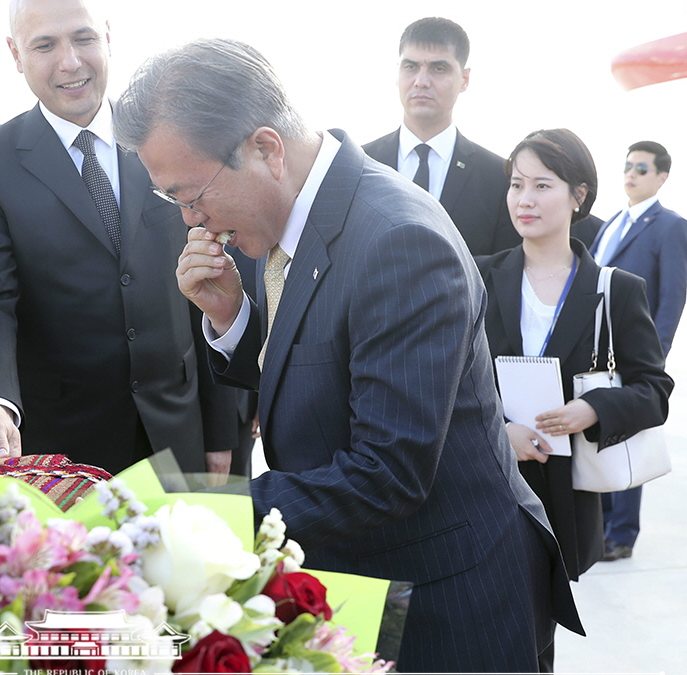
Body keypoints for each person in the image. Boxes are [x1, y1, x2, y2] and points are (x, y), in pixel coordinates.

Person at [116, 38, 583, 672]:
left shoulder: (399, 242)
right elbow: (318, 368)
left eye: (190, 195)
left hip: (444, 596)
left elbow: (387, 471)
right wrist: (231, 319)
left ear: (265, 149)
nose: (191, 219)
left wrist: (193, 515)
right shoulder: (281, 217)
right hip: (361, 572)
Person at [0, 0, 236, 476]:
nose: (70, 62)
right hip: (61, 449)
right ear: (15, 54)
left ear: (107, 35)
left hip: (180, 433)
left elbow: (212, 281)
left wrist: (222, 428)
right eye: (45, 45)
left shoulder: (171, 138)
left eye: (83, 38)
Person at [477, 128, 672, 670]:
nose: (524, 199)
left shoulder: (616, 288)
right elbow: (450, 379)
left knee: (536, 644)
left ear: (578, 195)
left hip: (563, 498)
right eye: (517, 185)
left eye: (542, 185)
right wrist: (500, 433)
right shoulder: (478, 275)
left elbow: (654, 389)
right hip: (488, 489)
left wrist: (593, 410)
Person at [587, 140, 687, 561]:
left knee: (631, 437)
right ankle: (604, 524)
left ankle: (622, 534)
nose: (631, 174)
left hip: (637, 351)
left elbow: (673, 295)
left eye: (642, 169)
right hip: (598, 351)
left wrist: (655, 356)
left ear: (662, 177)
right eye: (628, 166)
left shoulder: (670, 226)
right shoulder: (612, 222)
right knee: (604, 435)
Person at [363, 17, 518, 256]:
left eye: (439, 68)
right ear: (397, 72)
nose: (421, 81)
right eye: (410, 66)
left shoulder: (498, 178)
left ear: (464, 79)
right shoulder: (360, 164)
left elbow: (503, 271)